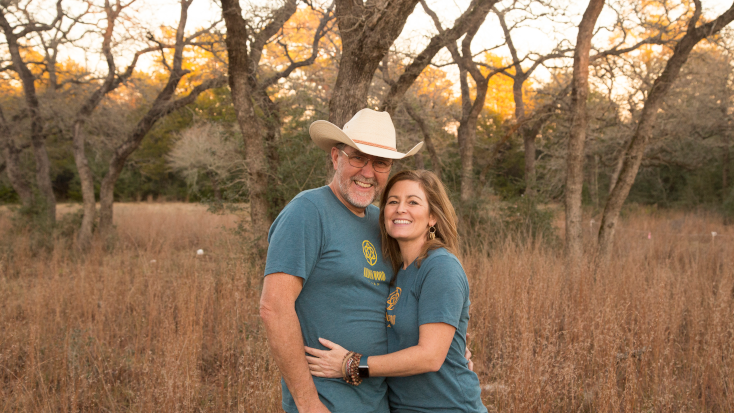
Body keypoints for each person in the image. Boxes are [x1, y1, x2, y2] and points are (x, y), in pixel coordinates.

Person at [260, 108, 423, 413]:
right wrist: (308, 404)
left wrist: (451, 347)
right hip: (328, 403)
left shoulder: (384, 222)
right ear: (335, 157)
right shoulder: (307, 212)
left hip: (380, 399)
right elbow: (274, 307)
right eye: (358, 157)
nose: (367, 172)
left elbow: (410, 295)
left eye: (380, 163)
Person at [304, 170, 487, 413]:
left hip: (447, 406)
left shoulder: (440, 266)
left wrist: (352, 365)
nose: (401, 209)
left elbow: (430, 357)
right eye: (393, 201)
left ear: (432, 216)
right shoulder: (396, 271)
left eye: (413, 202)